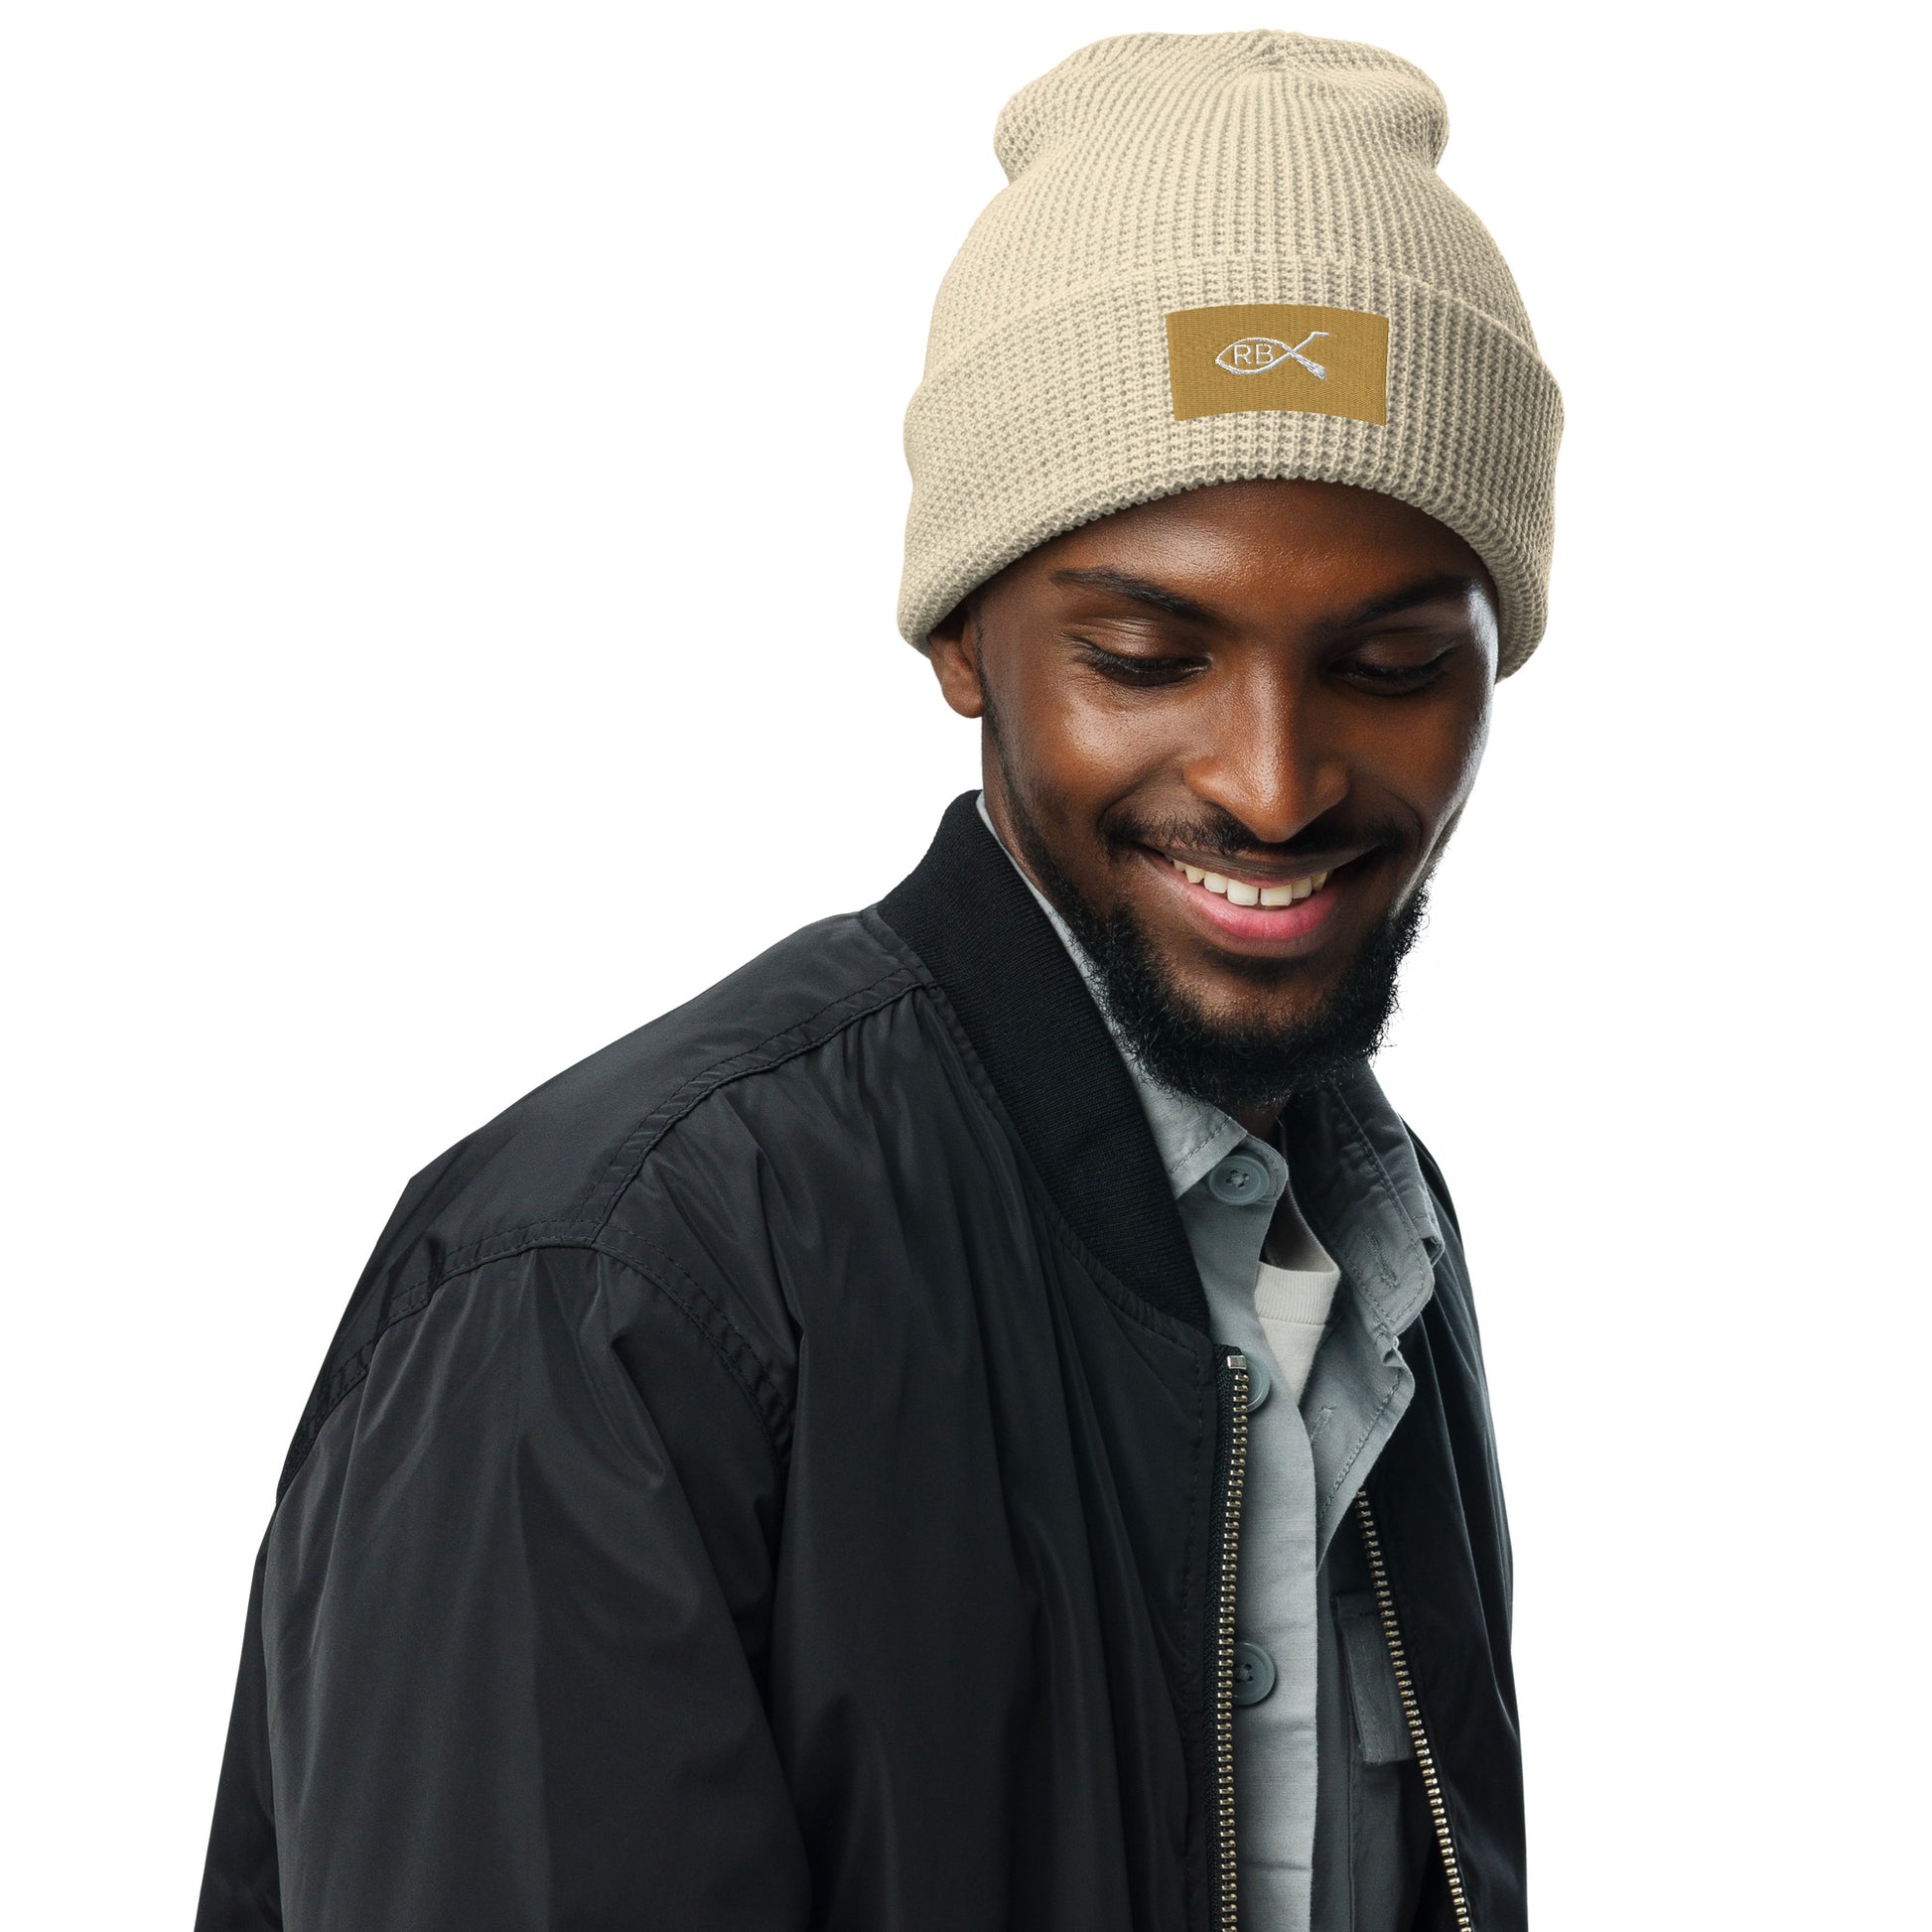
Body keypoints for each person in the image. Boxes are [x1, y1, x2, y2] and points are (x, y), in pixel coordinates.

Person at [197, 30, 1561, 1932]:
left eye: (1391, 665)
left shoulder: (1376, 1238)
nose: (1274, 782)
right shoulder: (601, 1294)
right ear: (959, 640)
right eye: (1145, 656)